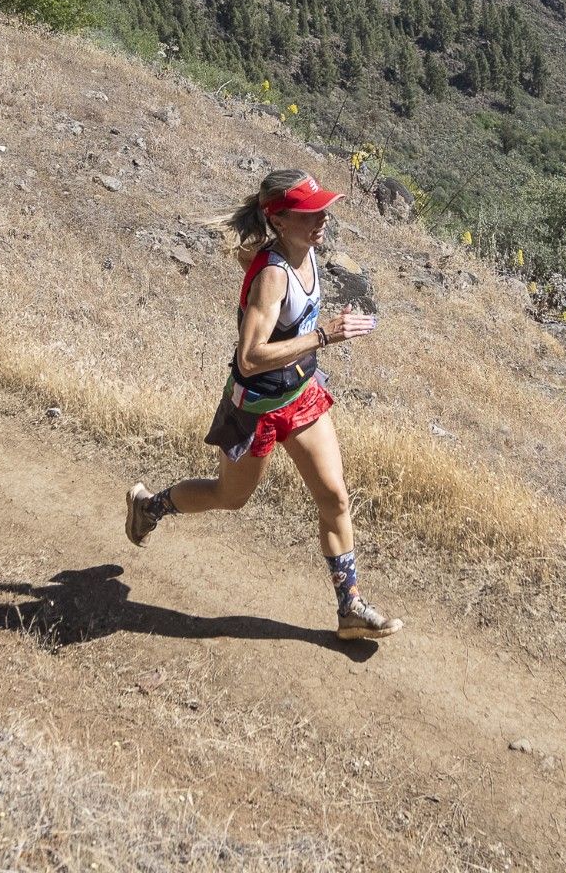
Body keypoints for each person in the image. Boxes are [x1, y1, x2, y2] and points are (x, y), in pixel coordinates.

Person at [125, 170, 403, 642]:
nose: (322, 218)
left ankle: (350, 606)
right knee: (229, 497)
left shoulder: (302, 250)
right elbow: (249, 359)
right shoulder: (273, 276)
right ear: (279, 218)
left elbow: (252, 263)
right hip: (254, 407)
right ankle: (149, 506)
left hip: (301, 393)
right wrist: (322, 336)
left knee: (334, 495)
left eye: (322, 209)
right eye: (309, 212)